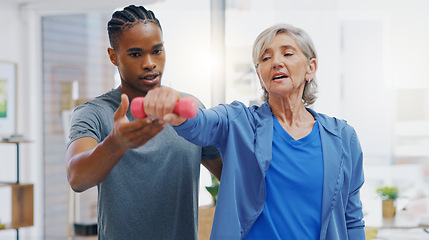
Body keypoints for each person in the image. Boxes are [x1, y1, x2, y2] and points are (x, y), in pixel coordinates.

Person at [142, 23, 366, 239]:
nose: (276, 62)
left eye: (287, 54)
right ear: (260, 76)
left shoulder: (343, 137)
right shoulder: (239, 121)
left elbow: (352, 219)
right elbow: (201, 123)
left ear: (311, 68)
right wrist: (177, 107)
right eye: (265, 58)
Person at [65, 5, 222, 239]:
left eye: (157, 51)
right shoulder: (94, 113)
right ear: (113, 56)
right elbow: (77, 177)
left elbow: (230, 175)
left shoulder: (190, 108)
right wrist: (115, 144)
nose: (150, 63)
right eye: (136, 54)